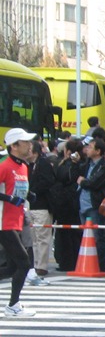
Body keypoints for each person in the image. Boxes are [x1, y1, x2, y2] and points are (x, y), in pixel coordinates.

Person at [0, 129, 39, 316]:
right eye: (25, 142)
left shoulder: (23, 166)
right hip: (3, 223)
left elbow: (17, 189)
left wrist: (28, 195)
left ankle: (13, 306)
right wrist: (9, 198)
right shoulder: (4, 166)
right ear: (14, 146)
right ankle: (13, 306)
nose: (30, 145)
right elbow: (9, 194)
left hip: (16, 221)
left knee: (11, 267)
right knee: (24, 263)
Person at [76, 136, 105, 273]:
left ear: (98, 151)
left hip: (94, 205)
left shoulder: (103, 167)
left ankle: (100, 265)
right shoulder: (87, 164)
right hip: (83, 204)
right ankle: (87, 263)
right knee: (86, 236)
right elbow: (78, 176)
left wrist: (83, 182)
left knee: (97, 237)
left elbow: (93, 183)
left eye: (90, 147)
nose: (87, 149)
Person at [26, 140, 56, 285]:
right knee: (32, 238)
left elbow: (48, 181)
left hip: (42, 205)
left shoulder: (43, 163)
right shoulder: (27, 164)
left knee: (42, 237)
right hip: (29, 205)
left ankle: (41, 266)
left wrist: (32, 190)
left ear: (35, 151)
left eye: (29, 148)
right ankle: (34, 264)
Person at [51, 140, 83, 271]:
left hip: (66, 202)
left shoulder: (69, 165)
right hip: (72, 202)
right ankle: (70, 261)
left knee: (66, 234)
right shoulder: (81, 163)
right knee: (72, 233)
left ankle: (67, 262)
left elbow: (65, 177)